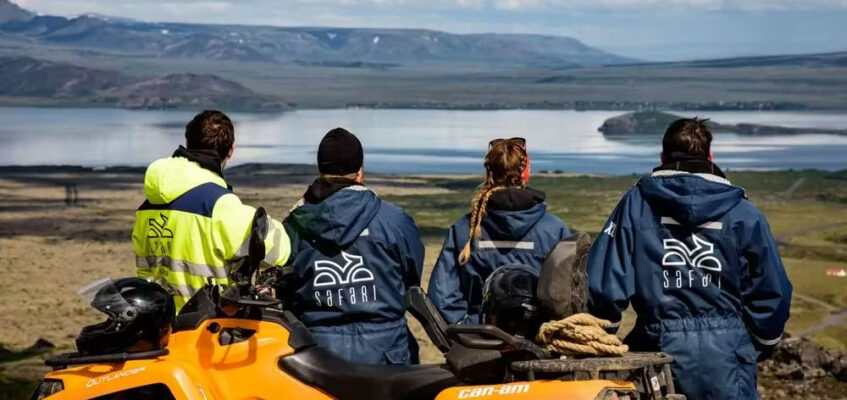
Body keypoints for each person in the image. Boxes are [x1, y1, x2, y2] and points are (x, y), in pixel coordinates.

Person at [586, 118, 792, 400]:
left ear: (662, 157)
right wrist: (754, 345)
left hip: (655, 352)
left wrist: (602, 334)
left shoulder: (636, 204)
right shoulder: (744, 212)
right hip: (728, 357)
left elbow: (605, 284)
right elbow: (773, 291)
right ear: (710, 157)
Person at [283, 128, 424, 365]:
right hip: (388, 355)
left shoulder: (294, 226)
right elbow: (412, 277)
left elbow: (286, 288)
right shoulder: (394, 220)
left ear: (322, 171)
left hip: (318, 357)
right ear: (359, 172)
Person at [132, 110, 291, 311]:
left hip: (162, 328)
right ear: (230, 151)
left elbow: (144, 274)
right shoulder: (220, 206)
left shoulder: (147, 207)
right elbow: (279, 250)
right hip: (208, 329)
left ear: (187, 144)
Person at [428, 138, 571, 324]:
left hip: (479, 341)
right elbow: (570, 295)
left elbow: (442, 295)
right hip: (539, 340)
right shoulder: (555, 230)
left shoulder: (464, 229)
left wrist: (469, 327)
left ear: (489, 172)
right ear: (526, 172)